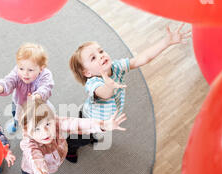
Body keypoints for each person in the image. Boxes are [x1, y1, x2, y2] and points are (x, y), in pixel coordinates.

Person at [67, 24, 191, 161]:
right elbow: (105, 93)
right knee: (80, 139)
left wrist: (166, 42)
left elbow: (142, 59)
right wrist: (109, 85)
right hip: (89, 120)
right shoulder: (93, 83)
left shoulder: (116, 67)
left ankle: (91, 137)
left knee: (95, 135)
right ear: (87, 73)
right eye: (93, 58)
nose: (101, 56)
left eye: (101, 51)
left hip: (105, 121)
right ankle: (70, 149)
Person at [19, 97, 127, 174]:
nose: (45, 132)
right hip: (33, 173)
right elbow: (35, 159)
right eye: (37, 129)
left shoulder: (55, 121)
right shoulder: (29, 144)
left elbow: (75, 123)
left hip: (57, 155)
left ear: (53, 119)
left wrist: (102, 125)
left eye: (47, 124)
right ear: (26, 131)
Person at [0, 42, 55, 134]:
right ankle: (15, 124)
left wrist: (37, 96)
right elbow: (9, 81)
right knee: (16, 116)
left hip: (37, 106)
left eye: (30, 70)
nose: (25, 73)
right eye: (21, 68)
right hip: (19, 103)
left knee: (38, 123)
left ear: (41, 68)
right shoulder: (17, 72)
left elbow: (46, 87)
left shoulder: (45, 75)